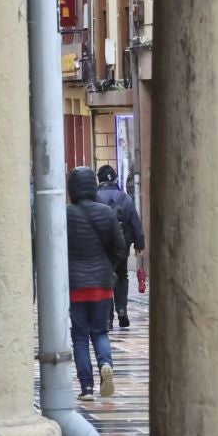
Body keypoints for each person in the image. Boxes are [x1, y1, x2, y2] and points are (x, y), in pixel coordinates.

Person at [66, 165, 128, 398]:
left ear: (72, 188)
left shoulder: (66, 214)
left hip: (76, 285)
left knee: (80, 335)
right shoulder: (107, 212)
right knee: (100, 331)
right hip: (102, 283)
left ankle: (87, 387)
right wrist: (108, 268)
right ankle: (106, 365)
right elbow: (120, 248)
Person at [94, 164, 146, 328]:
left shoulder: (94, 197)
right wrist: (139, 244)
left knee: (105, 279)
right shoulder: (125, 198)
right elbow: (135, 222)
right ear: (115, 179)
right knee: (122, 276)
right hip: (122, 247)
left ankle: (108, 317)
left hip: (101, 248)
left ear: (99, 179)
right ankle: (122, 310)